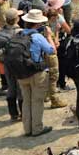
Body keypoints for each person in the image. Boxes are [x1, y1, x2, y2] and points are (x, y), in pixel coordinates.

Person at [17, 9, 56, 137]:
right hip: (37, 72)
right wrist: (49, 36)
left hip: (22, 73)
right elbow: (51, 50)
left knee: (26, 101)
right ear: (38, 24)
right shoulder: (37, 37)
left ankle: (27, 129)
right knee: (37, 101)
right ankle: (37, 128)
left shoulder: (18, 34)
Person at [0, 8, 23, 121]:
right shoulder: (21, 32)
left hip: (7, 65)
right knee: (21, 90)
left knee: (11, 88)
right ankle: (23, 114)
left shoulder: (0, 34)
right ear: (17, 19)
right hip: (19, 65)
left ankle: (13, 114)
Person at [42, 0, 70, 108]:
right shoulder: (49, 27)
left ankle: (46, 95)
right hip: (51, 53)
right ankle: (53, 99)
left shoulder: (42, 21)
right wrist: (58, 31)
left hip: (42, 52)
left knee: (45, 73)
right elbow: (56, 43)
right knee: (53, 75)